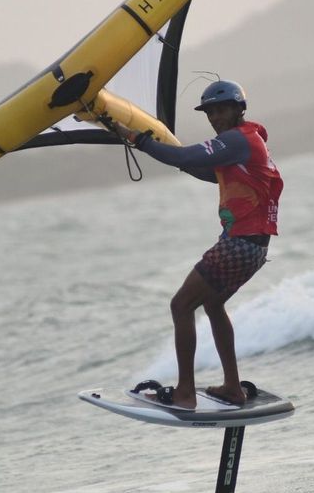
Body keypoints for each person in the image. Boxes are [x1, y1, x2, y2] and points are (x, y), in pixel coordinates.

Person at [112, 79, 283, 409]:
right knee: (213, 305)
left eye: (221, 110)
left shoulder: (237, 139)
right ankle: (232, 388)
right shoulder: (246, 142)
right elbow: (205, 170)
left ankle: (185, 393)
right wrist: (174, 157)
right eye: (210, 113)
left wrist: (136, 138)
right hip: (255, 248)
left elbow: (187, 154)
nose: (215, 118)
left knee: (181, 306)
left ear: (238, 109)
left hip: (238, 245)